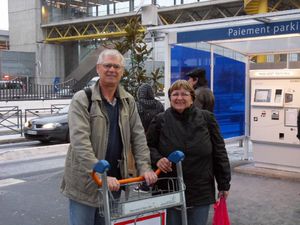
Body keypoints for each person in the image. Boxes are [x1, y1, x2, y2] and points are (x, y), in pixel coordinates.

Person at [60, 49, 158, 225]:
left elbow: (138, 137)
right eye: (107, 65)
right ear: (98, 69)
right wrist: (99, 172)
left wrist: (145, 167)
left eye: (116, 66)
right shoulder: (83, 99)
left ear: (122, 71)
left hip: (114, 184)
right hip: (86, 184)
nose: (112, 69)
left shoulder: (128, 101)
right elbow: (79, 140)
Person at [147, 80, 231, 225]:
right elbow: (147, 147)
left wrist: (224, 184)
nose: (179, 98)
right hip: (169, 188)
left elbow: (219, 152)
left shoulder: (207, 118)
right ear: (170, 98)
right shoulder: (160, 120)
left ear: (192, 98)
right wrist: (158, 159)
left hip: (201, 188)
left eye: (184, 94)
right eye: (175, 94)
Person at [134, 83, 164, 192]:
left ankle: (144, 184)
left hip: (141, 137)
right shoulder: (159, 105)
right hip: (156, 137)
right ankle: (154, 182)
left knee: (142, 161)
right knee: (154, 160)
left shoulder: (137, 105)